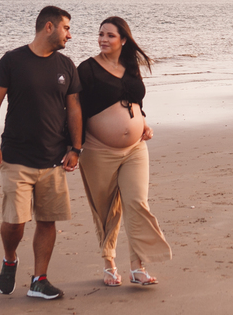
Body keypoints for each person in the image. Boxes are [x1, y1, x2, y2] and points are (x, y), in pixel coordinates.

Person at [0, 5, 83, 300]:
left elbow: (74, 108)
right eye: (66, 28)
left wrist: (75, 148)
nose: (70, 34)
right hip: (16, 157)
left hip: (54, 159)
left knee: (47, 220)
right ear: (49, 27)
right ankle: (10, 257)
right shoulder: (12, 61)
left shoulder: (66, 65)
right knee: (15, 221)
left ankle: (39, 280)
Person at [77, 16, 172, 286]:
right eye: (101, 34)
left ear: (123, 40)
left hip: (135, 149)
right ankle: (109, 265)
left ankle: (137, 267)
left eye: (110, 35)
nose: (103, 39)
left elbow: (136, 102)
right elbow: (74, 109)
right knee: (106, 211)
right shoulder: (87, 69)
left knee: (136, 203)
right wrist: (73, 146)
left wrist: (143, 122)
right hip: (98, 150)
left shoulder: (131, 66)